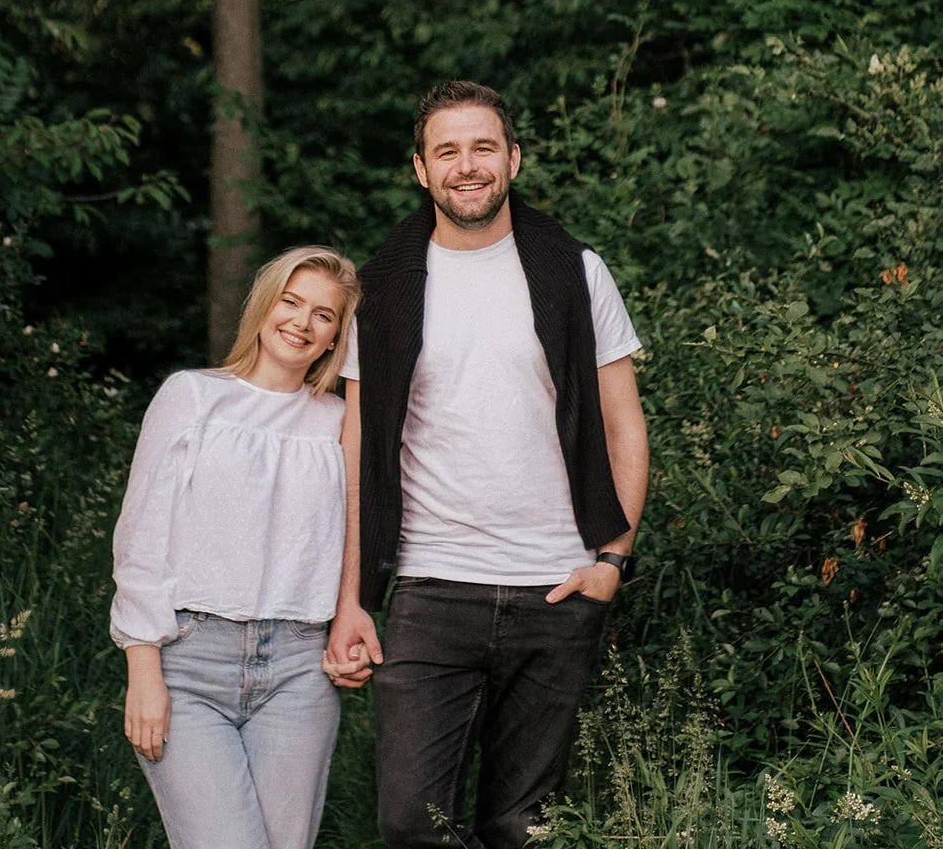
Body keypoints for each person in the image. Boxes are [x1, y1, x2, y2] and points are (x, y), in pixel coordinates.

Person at [325, 80, 649, 849]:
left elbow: (624, 423)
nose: (465, 166)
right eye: (447, 151)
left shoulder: (574, 270)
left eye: (481, 148)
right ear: (419, 169)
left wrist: (613, 560)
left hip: (557, 584)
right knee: (410, 823)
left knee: (524, 827)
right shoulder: (383, 289)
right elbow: (358, 448)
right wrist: (351, 600)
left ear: (513, 158)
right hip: (433, 589)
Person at [110, 245, 360, 849]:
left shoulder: (341, 424)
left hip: (301, 670)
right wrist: (142, 667)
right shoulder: (193, 397)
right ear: (263, 306)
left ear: (336, 340)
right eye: (291, 302)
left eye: (324, 316)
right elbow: (141, 537)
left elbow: (360, 535)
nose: (302, 322)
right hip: (191, 659)